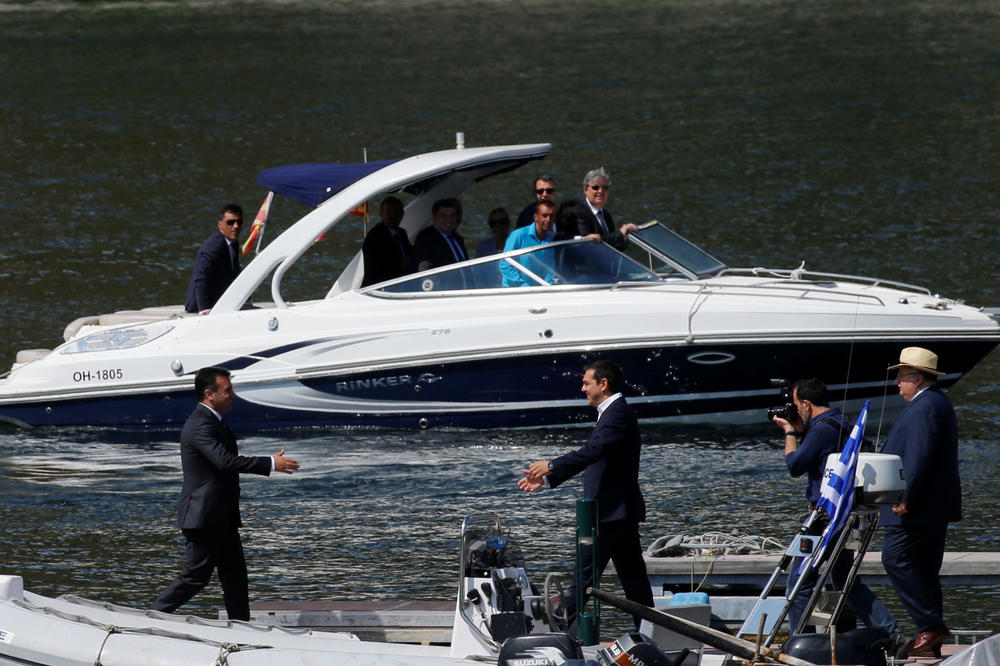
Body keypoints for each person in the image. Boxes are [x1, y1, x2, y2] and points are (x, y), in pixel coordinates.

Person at [152, 367, 300, 621]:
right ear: (210, 394)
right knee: (195, 577)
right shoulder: (200, 425)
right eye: (228, 390)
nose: (233, 395)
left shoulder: (212, 421)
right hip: (204, 518)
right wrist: (270, 463)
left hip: (222, 517)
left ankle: (241, 629)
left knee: (235, 579)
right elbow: (225, 462)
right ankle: (150, 617)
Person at [519, 360, 653, 630]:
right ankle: (653, 632)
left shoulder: (617, 413)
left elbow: (594, 450)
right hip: (617, 512)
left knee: (583, 579)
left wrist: (552, 465)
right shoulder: (614, 412)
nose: (582, 389)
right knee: (634, 581)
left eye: (586, 383)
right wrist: (547, 479)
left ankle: (552, 632)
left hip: (608, 513)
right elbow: (597, 457)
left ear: (603, 384)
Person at [772, 378, 897, 638]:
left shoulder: (821, 430)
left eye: (796, 405)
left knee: (801, 580)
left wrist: (790, 432)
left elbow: (795, 465)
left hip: (825, 516)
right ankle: (891, 633)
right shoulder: (842, 422)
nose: (795, 411)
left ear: (806, 404)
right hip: (846, 514)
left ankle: (800, 640)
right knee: (845, 582)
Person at [880, 347, 961, 658]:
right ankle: (930, 634)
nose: (897, 384)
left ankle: (930, 625)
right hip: (932, 506)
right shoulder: (934, 402)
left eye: (901, 377)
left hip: (917, 507)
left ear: (918, 378)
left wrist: (904, 496)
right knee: (925, 567)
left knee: (895, 558)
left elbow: (918, 454)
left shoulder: (926, 406)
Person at [185, 204, 245, 314]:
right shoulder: (213, 247)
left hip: (220, 303)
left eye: (239, 222)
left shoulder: (232, 243)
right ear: (220, 225)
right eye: (230, 222)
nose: (236, 226)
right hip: (199, 307)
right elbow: (201, 278)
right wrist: (204, 310)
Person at [564, 168, 637, 251]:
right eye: (596, 187)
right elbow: (591, 243)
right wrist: (620, 233)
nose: (601, 191)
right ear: (585, 190)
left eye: (605, 188)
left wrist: (625, 237)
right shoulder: (578, 213)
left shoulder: (606, 215)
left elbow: (613, 245)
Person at [361, 196, 414, 287]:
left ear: (402, 214)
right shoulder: (374, 236)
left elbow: (410, 253)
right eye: (389, 212)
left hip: (401, 282)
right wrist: (401, 265)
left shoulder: (401, 233)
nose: (393, 216)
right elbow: (375, 266)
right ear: (381, 213)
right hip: (379, 287)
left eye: (396, 213)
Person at [413, 198, 468, 272]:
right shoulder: (426, 237)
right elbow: (425, 269)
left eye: (452, 216)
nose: (448, 220)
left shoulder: (457, 238)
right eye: (443, 216)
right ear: (434, 217)